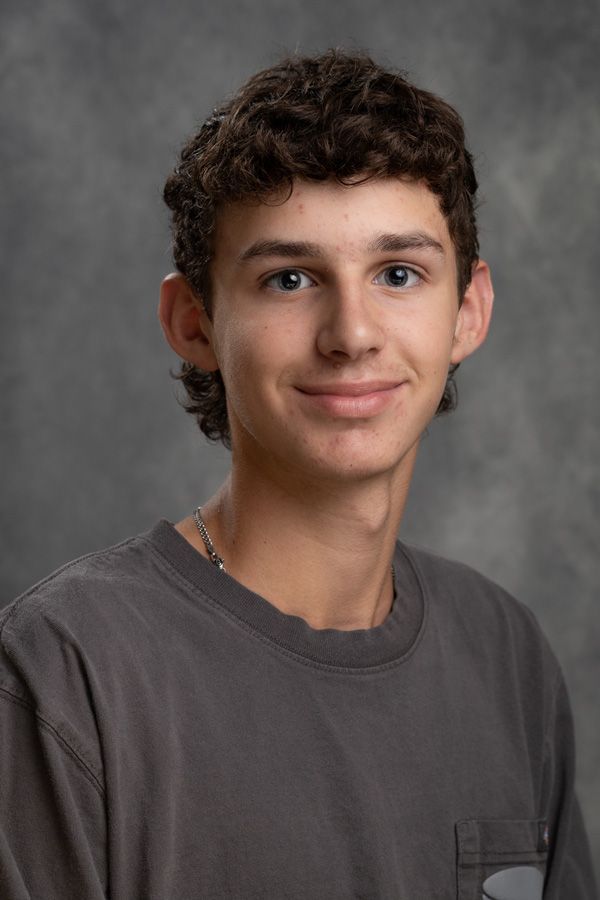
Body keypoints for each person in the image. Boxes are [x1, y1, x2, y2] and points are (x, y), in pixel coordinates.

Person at [0, 50, 596, 899]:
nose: (352, 333)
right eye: (289, 278)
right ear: (195, 322)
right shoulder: (64, 677)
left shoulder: (507, 656)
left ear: (468, 311)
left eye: (399, 274)